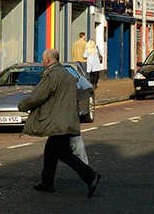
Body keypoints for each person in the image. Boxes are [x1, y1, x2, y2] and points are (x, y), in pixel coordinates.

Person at [17, 48, 101, 197]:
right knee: (50, 152)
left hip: (58, 122)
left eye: (43, 59)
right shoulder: (67, 75)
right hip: (66, 119)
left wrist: (23, 106)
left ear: (48, 60)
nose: (42, 62)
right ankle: (47, 183)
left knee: (64, 154)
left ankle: (90, 176)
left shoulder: (52, 75)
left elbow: (38, 95)